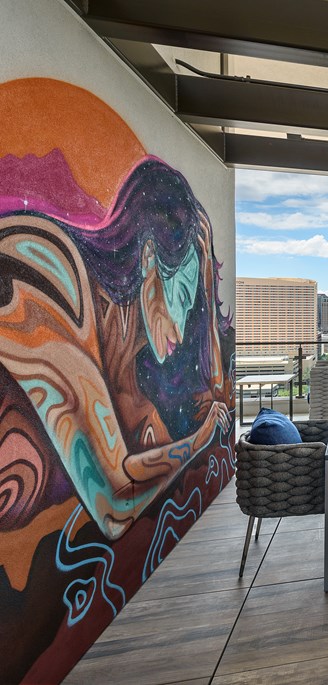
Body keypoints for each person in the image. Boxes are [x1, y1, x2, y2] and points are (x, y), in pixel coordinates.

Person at [0, 157, 233, 540]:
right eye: (182, 295)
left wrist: (205, 264)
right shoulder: (47, 287)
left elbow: (217, 388)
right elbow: (114, 504)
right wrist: (200, 438)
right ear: (149, 259)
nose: (181, 328)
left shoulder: (127, 377)